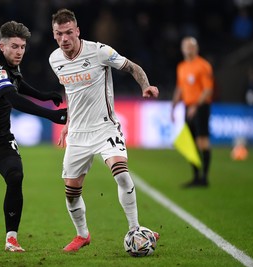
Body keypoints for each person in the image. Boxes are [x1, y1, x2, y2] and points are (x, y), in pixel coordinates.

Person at [48, 8, 160, 252]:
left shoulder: (99, 51)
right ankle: (82, 235)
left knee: (121, 173)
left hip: (104, 127)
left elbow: (132, 67)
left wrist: (146, 85)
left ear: (77, 31)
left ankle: (135, 229)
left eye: (69, 32)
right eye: (59, 34)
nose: (64, 38)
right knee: (71, 191)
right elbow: (72, 91)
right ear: (54, 35)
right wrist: (68, 123)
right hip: (78, 133)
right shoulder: (54, 60)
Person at [0, 20, 67, 252]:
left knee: (15, 175)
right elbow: (13, 98)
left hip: (0, 138)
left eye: (22, 47)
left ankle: (11, 238)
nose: (19, 52)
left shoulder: (10, 66)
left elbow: (19, 84)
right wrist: (51, 115)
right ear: (2, 46)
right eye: (14, 47)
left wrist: (44, 95)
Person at [171, 36, 213, 187]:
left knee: (202, 141)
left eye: (191, 46)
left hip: (201, 107)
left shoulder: (203, 66)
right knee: (191, 143)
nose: (188, 49)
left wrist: (196, 106)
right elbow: (180, 88)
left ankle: (204, 178)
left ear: (196, 48)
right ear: (182, 49)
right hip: (188, 107)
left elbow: (208, 89)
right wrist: (173, 106)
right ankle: (196, 177)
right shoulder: (181, 66)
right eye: (186, 46)